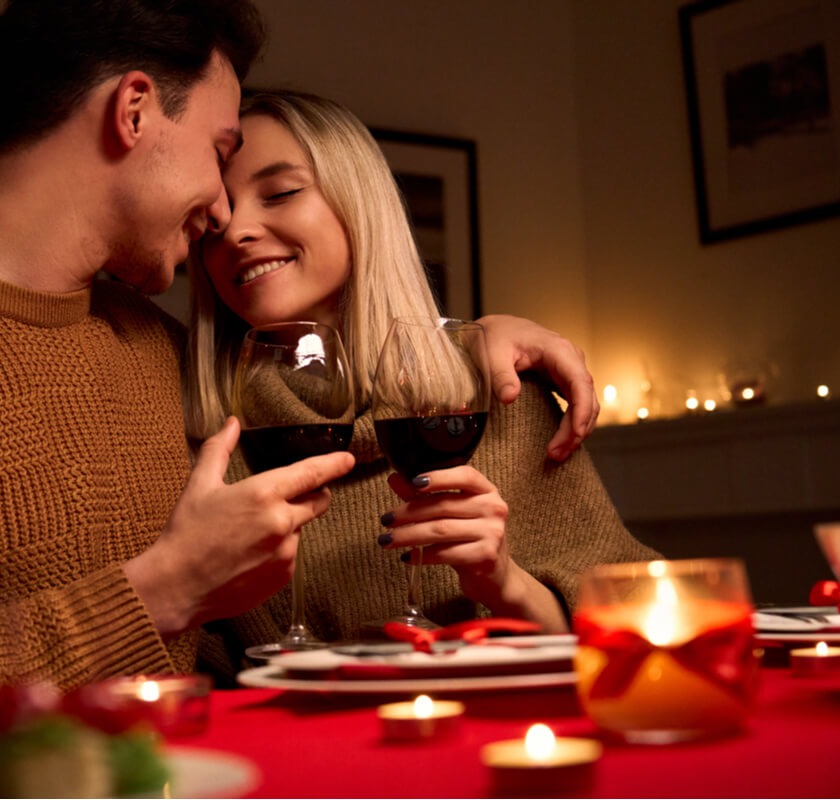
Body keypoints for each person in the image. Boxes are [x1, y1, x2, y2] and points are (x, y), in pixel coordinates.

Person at [0, 0, 604, 696]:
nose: (225, 216)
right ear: (135, 110)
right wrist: (162, 593)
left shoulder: (159, 350)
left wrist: (470, 344)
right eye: (220, 152)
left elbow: (338, 461)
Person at [185, 91, 660, 674]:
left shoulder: (498, 392)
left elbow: (639, 634)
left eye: (280, 192)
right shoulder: (206, 444)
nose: (237, 232)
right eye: (217, 218)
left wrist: (506, 583)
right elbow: (194, 671)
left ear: (359, 203)